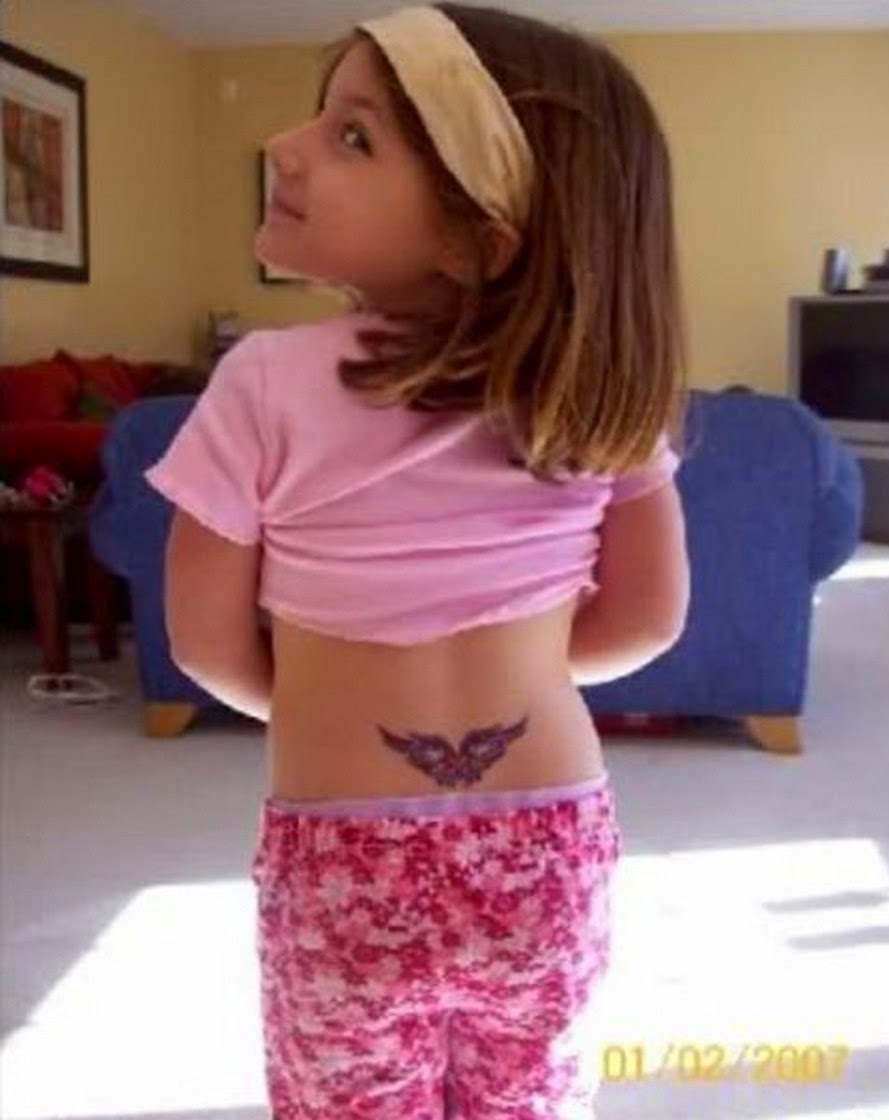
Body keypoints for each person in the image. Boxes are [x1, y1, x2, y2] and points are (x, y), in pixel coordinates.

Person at [144, 4, 691, 1117]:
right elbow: (646, 617)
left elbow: (203, 642)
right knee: (530, 1096)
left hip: (340, 857)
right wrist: (522, 673)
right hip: (547, 843)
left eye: (353, 135)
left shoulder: (261, 379)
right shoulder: (596, 396)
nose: (284, 146)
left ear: (479, 236)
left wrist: (324, 699)